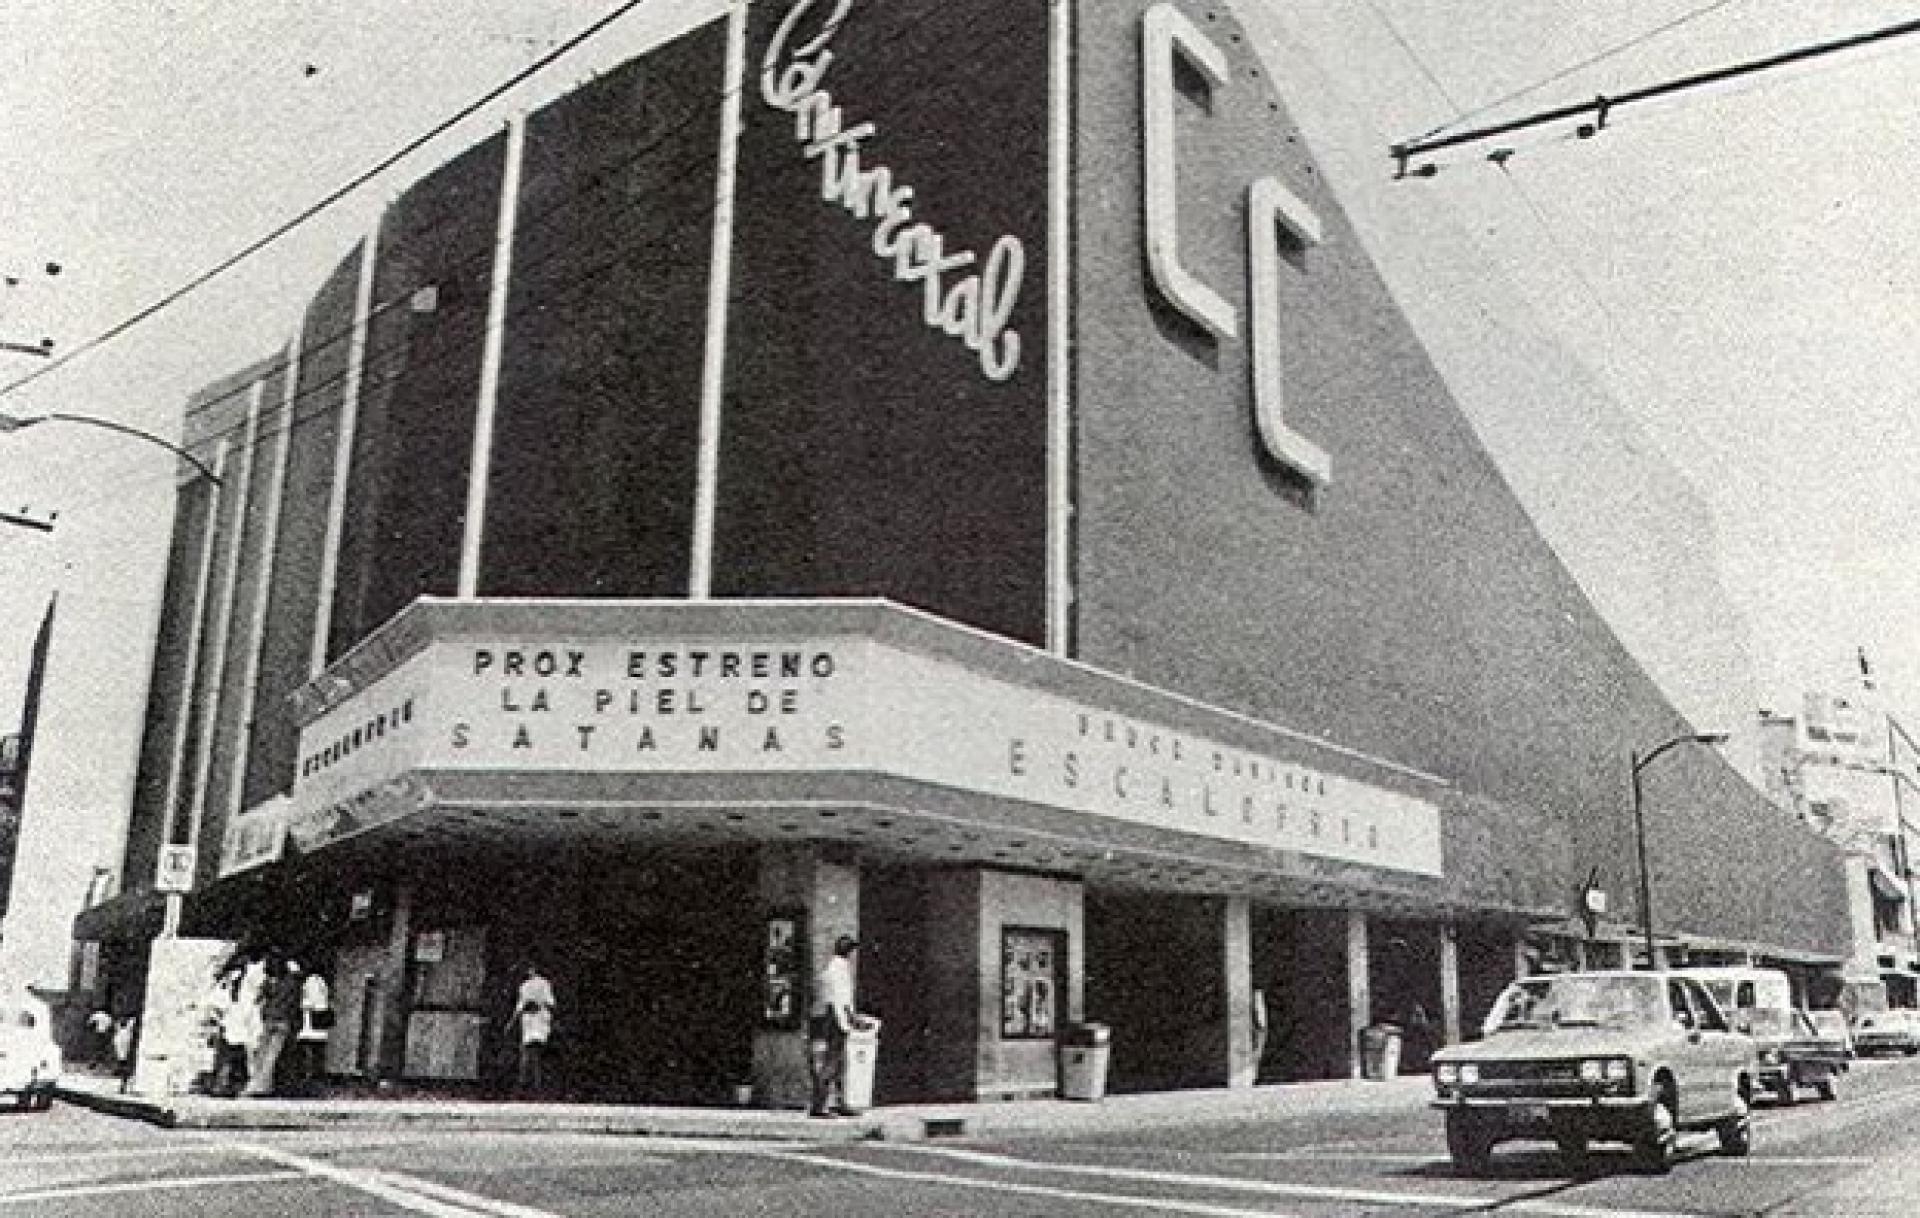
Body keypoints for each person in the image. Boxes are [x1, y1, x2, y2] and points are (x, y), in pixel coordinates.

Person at [808, 934, 859, 1117]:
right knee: (833, 1062)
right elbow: (842, 998)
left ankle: (839, 1101)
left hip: (832, 1015)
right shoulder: (840, 969)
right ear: (849, 951)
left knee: (840, 1062)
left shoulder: (833, 967)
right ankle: (819, 1105)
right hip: (838, 1018)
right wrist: (850, 1017)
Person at [247, 957, 302, 1096]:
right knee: (272, 1055)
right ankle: (264, 1085)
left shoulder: (269, 982)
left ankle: (259, 1085)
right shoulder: (291, 982)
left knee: (262, 1053)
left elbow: (258, 997)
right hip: (283, 1020)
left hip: (269, 1019)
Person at [510, 965, 556, 1095]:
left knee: (528, 1053)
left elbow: (520, 1007)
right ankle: (534, 1084)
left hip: (534, 1021)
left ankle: (526, 1084)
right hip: (537, 1021)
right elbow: (551, 1003)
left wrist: (512, 1022)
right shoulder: (541, 984)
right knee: (534, 1054)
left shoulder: (527, 986)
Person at [294, 965, 333, 1096]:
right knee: (317, 1055)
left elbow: (312, 1003)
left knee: (309, 1054)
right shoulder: (322, 982)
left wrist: (302, 1004)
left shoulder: (311, 981)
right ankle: (313, 1081)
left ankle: (308, 1081)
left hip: (309, 1026)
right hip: (318, 1027)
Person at [112, 1015, 139, 1093]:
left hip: (123, 1054)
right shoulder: (125, 1032)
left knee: (124, 1070)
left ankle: (123, 1087)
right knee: (125, 1070)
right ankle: (123, 1087)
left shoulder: (122, 1032)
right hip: (124, 1053)